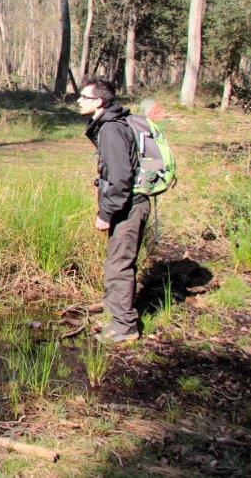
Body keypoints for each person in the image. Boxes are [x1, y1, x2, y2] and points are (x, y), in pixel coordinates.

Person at [78, 77, 148, 344]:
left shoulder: (110, 129)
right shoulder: (111, 124)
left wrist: (106, 213)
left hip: (128, 207)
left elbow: (119, 177)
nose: (79, 101)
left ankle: (124, 328)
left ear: (99, 101)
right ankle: (113, 313)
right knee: (117, 262)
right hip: (129, 205)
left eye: (84, 97)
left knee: (119, 265)